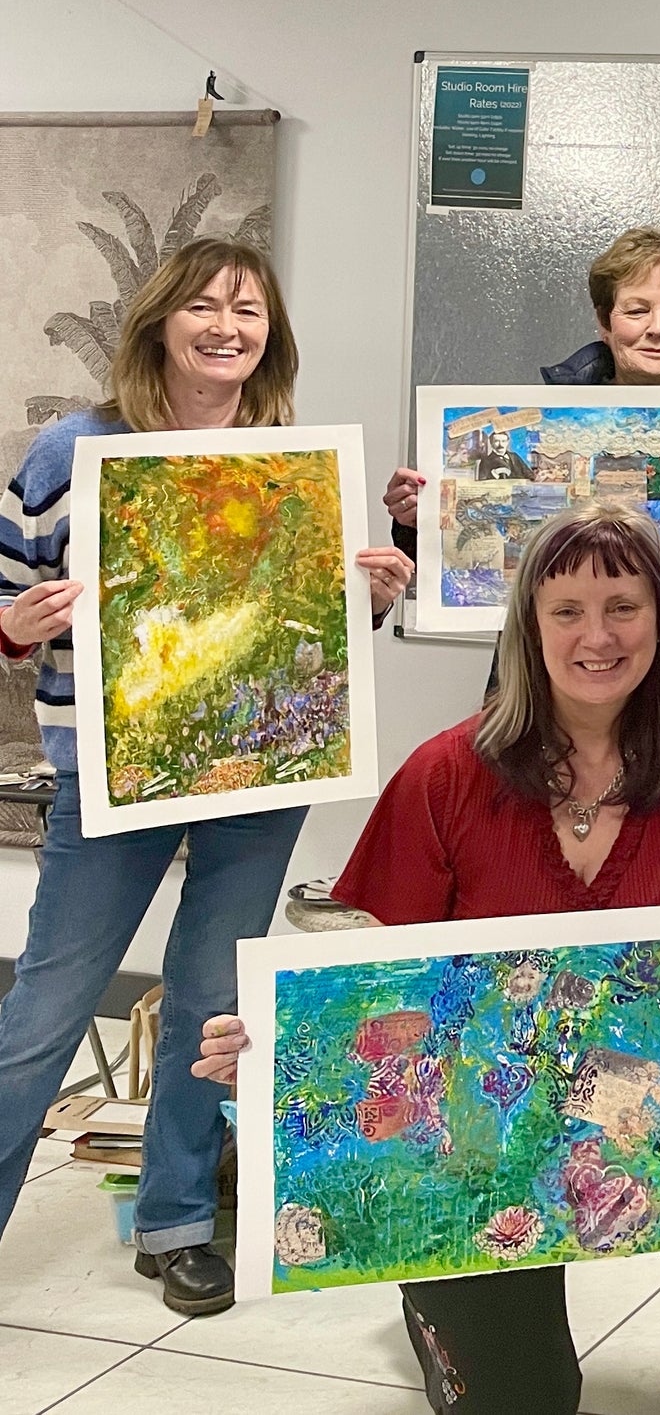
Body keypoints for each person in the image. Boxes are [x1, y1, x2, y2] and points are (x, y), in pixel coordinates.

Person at [194, 501, 660, 1415]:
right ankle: (446, 1312)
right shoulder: (445, 774)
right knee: (524, 1400)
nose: (597, 636)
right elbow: (369, 984)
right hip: (475, 1133)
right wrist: (276, 1046)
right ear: (528, 629)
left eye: (623, 606)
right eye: (567, 610)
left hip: (642, 1111)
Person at [0, 237, 414, 1315]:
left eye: (248, 310)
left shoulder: (291, 458)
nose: (227, 327)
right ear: (160, 320)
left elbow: (309, 635)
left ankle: (176, 1220)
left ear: (269, 336)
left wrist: (369, 599)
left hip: (261, 771)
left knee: (210, 1002)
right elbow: (3, 591)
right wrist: (14, 625)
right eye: (205, 306)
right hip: (113, 772)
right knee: (47, 1007)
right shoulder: (75, 448)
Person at [384, 226, 660, 822]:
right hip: (562, 681)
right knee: (538, 845)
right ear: (604, 321)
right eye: (637, 310)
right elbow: (482, 558)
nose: (657, 328)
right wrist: (418, 522)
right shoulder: (535, 427)